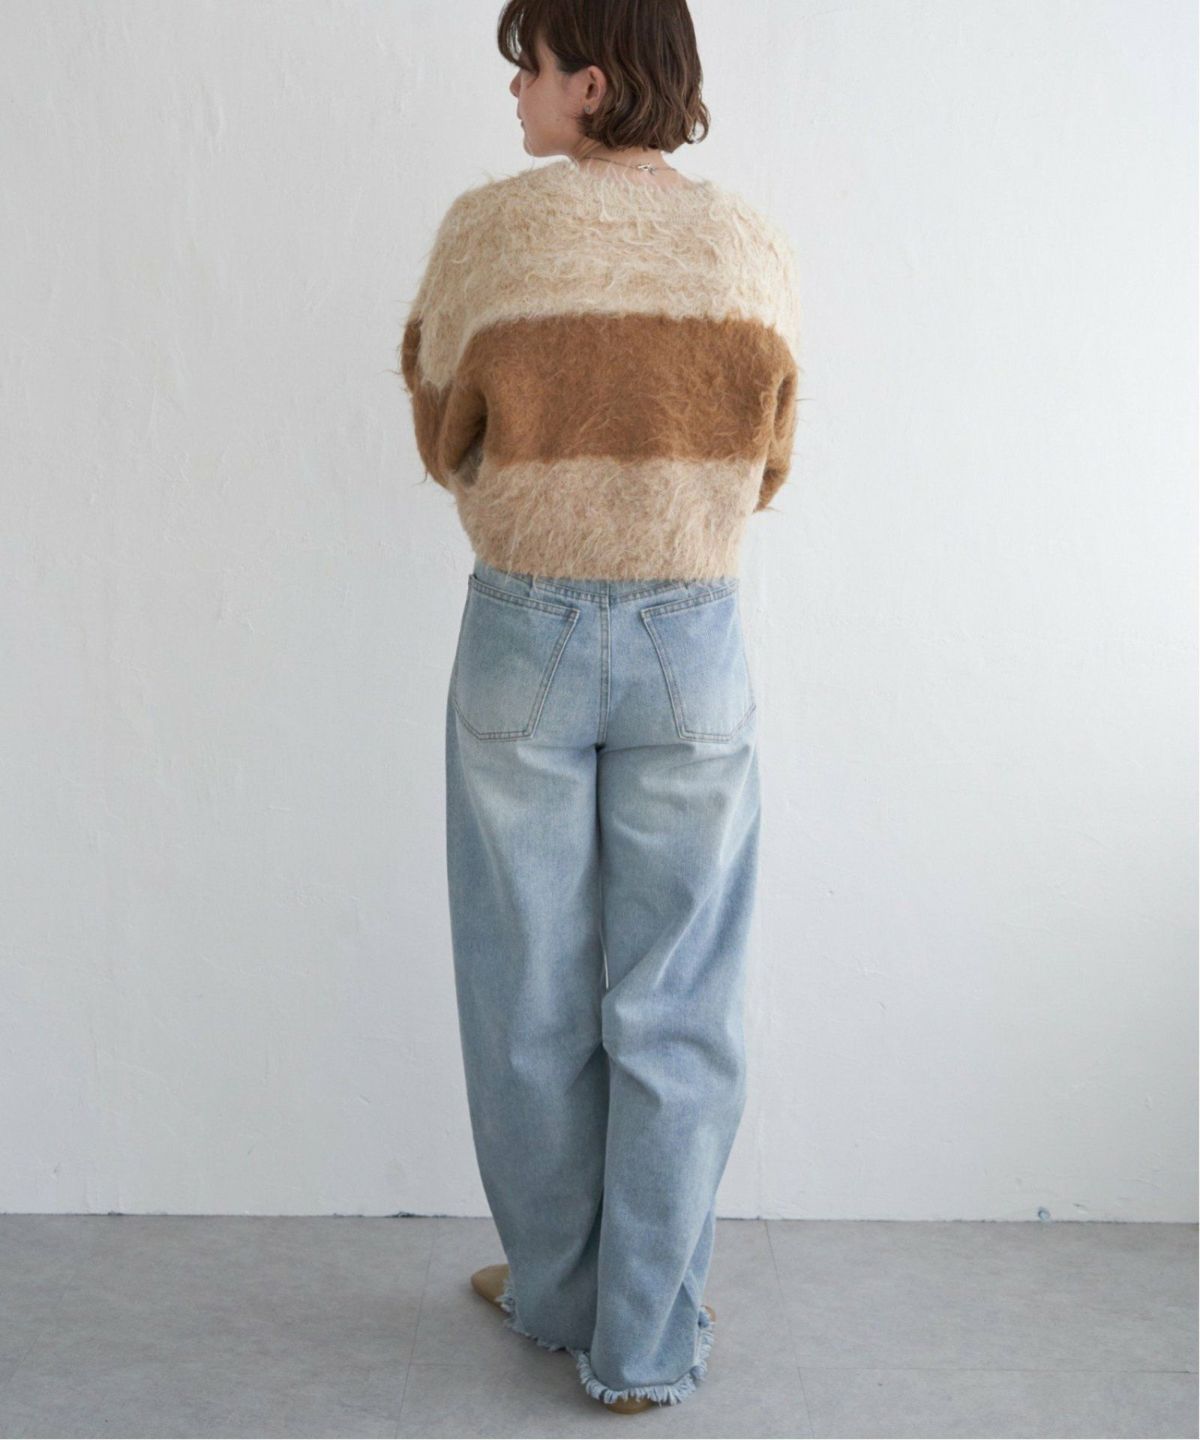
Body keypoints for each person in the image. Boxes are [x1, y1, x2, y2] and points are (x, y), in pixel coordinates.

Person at [398, 0, 802, 1414]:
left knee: (526, 994)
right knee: (680, 1002)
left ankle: (558, 1292)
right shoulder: (748, 245)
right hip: (694, 635)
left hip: (529, 629)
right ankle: (643, 1342)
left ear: (592, 81)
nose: (515, 89)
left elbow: (438, 423)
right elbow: (770, 460)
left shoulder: (489, 233)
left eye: (531, 64)